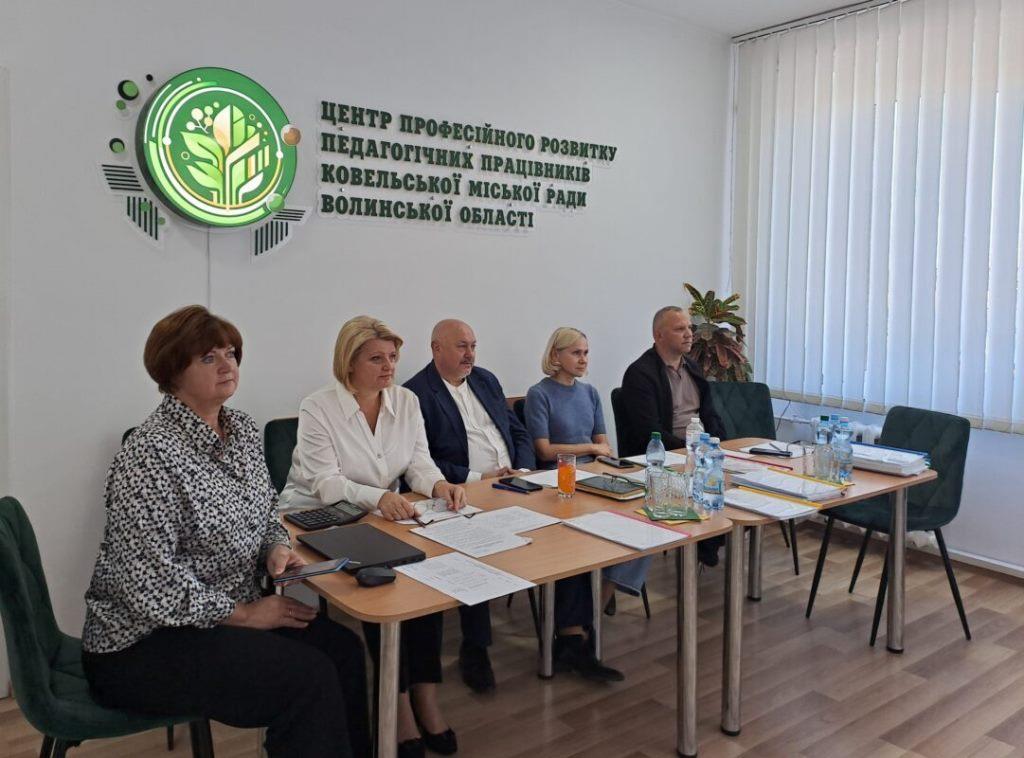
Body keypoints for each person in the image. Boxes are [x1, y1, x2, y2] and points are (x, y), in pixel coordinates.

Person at [81, 305, 370, 758]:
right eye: (208, 357)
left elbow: (267, 511)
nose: (227, 365)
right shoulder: (149, 454)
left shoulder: (242, 431)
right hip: (144, 643)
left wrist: (275, 547)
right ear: (172, 372)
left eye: (231, 353)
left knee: (344, 651)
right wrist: (248, 615)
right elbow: (149, 584)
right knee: (308, 679)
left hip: (227, 615)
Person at [282, 315, 464, 758]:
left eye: (393, 357)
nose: (389, 367)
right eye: (376, 359)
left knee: (429, 577)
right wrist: (380, 497)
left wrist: (439, 485)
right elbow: (326, 483)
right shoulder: (318, 407)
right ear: (349, 362)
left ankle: (425, 694)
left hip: (379, 515)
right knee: (384, 589)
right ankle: (397, 707)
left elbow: (418, 464)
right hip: (316, 518)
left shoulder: (405, 401)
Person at [404, 319, 535, 693]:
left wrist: (524, 470)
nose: (470, 355)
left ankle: (570, 633)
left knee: (568, 532)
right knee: (474, 552)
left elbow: (517, 431)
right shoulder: (416, 393)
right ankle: (476, 648)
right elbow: (422, 460)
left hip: (517, 482)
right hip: (464, 491)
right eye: (462, 346)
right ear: (436, 348)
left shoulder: (486, 380)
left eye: (473, 346)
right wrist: (481, 477)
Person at [522, 328, 638, 672]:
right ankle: (576, 631)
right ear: (555, 356)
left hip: (595, 476)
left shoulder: (590, 393)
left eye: (586, 352)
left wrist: (601, 456)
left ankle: (592, 611)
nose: (584, 359)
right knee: (578, 534)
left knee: (642, 525)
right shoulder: (539, 394)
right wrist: (589, 448)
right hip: (558, 480)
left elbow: (604, 445)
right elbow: (544, 450)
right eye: (576, 353)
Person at [619, 305, 726, 565]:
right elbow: (650, 430)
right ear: (659, 335)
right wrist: (690, 451)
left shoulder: (692, 368)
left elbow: (710, 413)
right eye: (680, 329)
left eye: (690, 328)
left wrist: (716, 443)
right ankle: (705, 543)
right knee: (708, 489)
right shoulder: (640, 373)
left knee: (730, 487)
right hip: (666, 457)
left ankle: (710, 540)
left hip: (700, 452)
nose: (689, 334)